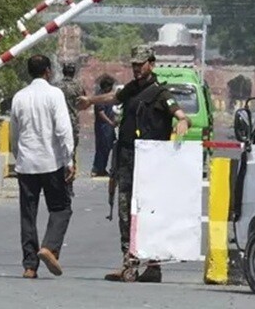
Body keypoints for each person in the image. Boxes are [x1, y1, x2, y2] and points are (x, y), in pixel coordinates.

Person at [77, 45, 190, 283]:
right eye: (134, 65)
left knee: (150, 212)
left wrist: (182, 123)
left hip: (151, 162)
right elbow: (114, 97)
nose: (137, 69)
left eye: (141, 64)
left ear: (152, 63)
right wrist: (90, 101)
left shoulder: (160, 93)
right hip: (127, 158)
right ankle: (129, 263)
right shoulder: (132, 89)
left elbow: (180, 114)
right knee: (126, 211)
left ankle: (153, 265)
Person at [10, 54, 76, 279]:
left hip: (26, 164)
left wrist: (18, 156)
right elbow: (63, 129)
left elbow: (14, 133)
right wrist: (69, 160)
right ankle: (49, 247)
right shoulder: (54, 94)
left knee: (28, 215)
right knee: (61, 208)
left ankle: (30, 265)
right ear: (48, 71)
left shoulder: (19, 97)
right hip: (51, 163)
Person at [54, 61, 86, 196]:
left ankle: (57, 185)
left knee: (56, 152)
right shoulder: (78, 86)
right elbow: (84, 102)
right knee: (71, 153)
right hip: (72, 123)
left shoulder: (57, 86)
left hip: (57, 123)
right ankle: (69, 186)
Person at [91, 77, 116, 177]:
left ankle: (102, 168)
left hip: (108, 126)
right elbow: (101, 112)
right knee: (102, 147)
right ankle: (97, 168)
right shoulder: (100, 97)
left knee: (107, 147)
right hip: (103, 126)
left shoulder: (106, 96)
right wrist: (110, 122)